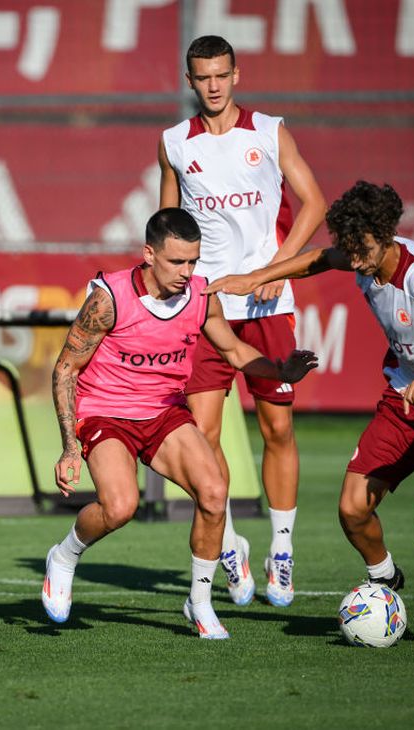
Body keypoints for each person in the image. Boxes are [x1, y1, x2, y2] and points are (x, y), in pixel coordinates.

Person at [210, 181, 414, 648]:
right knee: (351, 507)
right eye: (350, 247)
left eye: (361, 247)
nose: (354, 258)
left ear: (384, 234)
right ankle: (384, 579)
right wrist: (258, 277)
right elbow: (319, 260)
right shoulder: (359, 256)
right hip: (406, 395)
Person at [42, 208, 317, 638]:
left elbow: (234, 352)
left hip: (165, 411)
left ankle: (200, 602)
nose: (186, 272)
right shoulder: (108, 297)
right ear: (149, 254)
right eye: (176, 262)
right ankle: (64, 556)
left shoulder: (202, 296)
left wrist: (280, 371)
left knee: (213, 491)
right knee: (120, 508)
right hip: (107, 413)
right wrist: (69, 447)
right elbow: (64, 369)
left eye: (193, 261)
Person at [158, 35, 327, 608]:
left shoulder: (270, 131)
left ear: (237, 74)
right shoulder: (174, 144)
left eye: (222, 75)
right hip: (206, 309)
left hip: (266, 306)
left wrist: (280, 267)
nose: (213, 85)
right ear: (190, 80)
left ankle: (282, 550)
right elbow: (167, 224)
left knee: (277, 429)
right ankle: (230, 544)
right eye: (203, 76)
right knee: (202, 438)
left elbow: (316, 204)